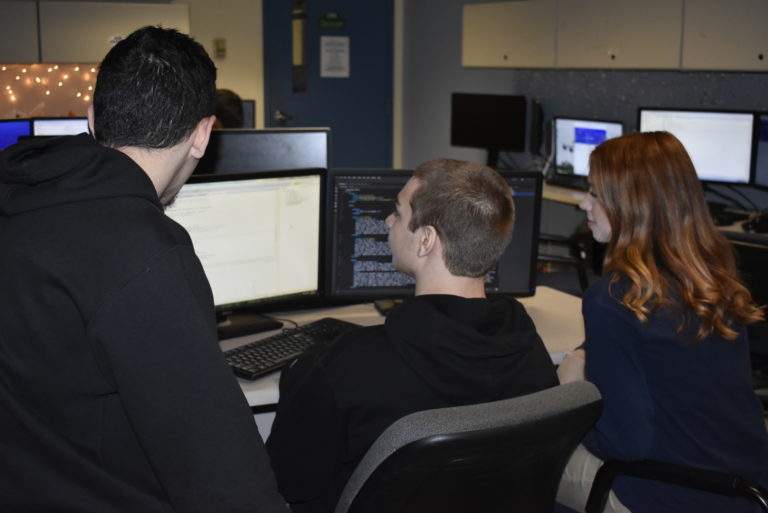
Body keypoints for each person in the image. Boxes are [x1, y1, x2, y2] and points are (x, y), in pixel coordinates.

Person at [0, 27, 287, 513]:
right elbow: (222, 473)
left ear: (92, 118)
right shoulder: (146, 253)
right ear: (203, 135)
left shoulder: (21, 199)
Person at [266, 158, 559, 513]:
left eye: (398, 212)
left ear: (426, 240)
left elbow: (286, 481)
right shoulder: (531, 351)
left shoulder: (347, 366)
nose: (389, 221)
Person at [556, 131, 768, 513]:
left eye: (595, 194)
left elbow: (625, 443)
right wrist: (587, 352)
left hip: (667, 493)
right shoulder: (713, 280)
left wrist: (570, 396)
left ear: (632, 206)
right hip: (743, 488)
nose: (584, 204)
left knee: (524, 465)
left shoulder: (611, 299)